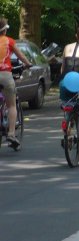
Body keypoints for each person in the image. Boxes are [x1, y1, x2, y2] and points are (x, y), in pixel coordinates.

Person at [0, 17, 32, 149]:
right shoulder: (9, 41)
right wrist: (28, 64)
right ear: (5, 30)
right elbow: (21, 56)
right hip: (5, 75)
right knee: (12, 105)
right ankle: (11, 134)